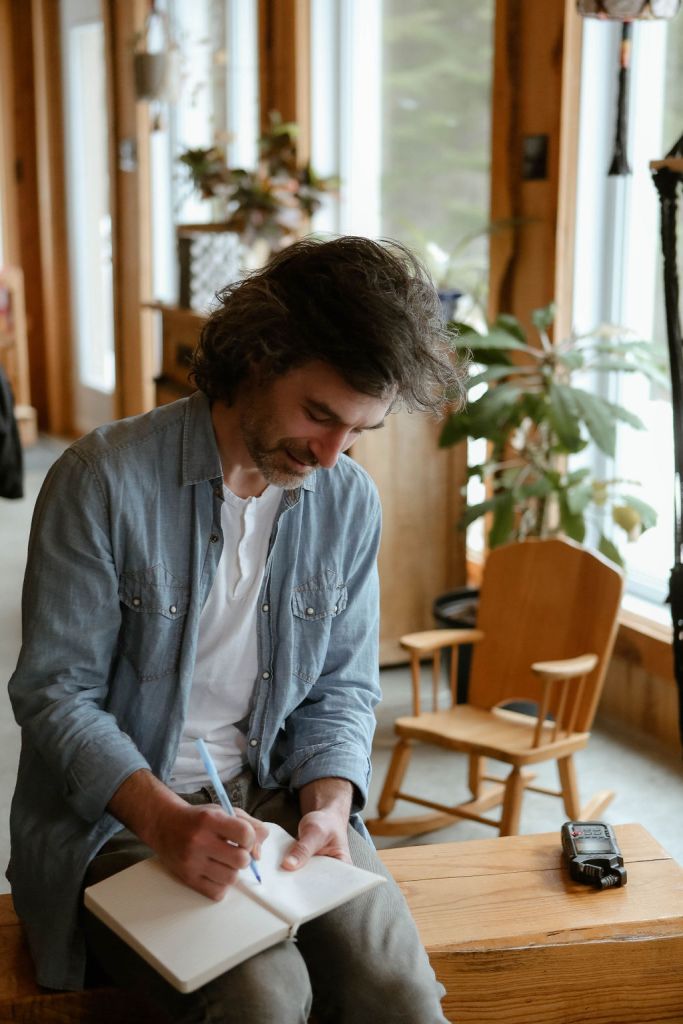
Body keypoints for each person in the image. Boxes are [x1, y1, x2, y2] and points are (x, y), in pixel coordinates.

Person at [7, 235, 465, 1023]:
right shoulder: (100, 480)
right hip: (124, 817)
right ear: (256, 358)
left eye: (358, 431)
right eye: (319, 415)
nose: (330, 456)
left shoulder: (347, 500)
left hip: (280, 797)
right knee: (263, 997)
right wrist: (165, 821)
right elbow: (55, 694)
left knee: (396, 995)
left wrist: (328, 802)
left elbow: (343, 688)